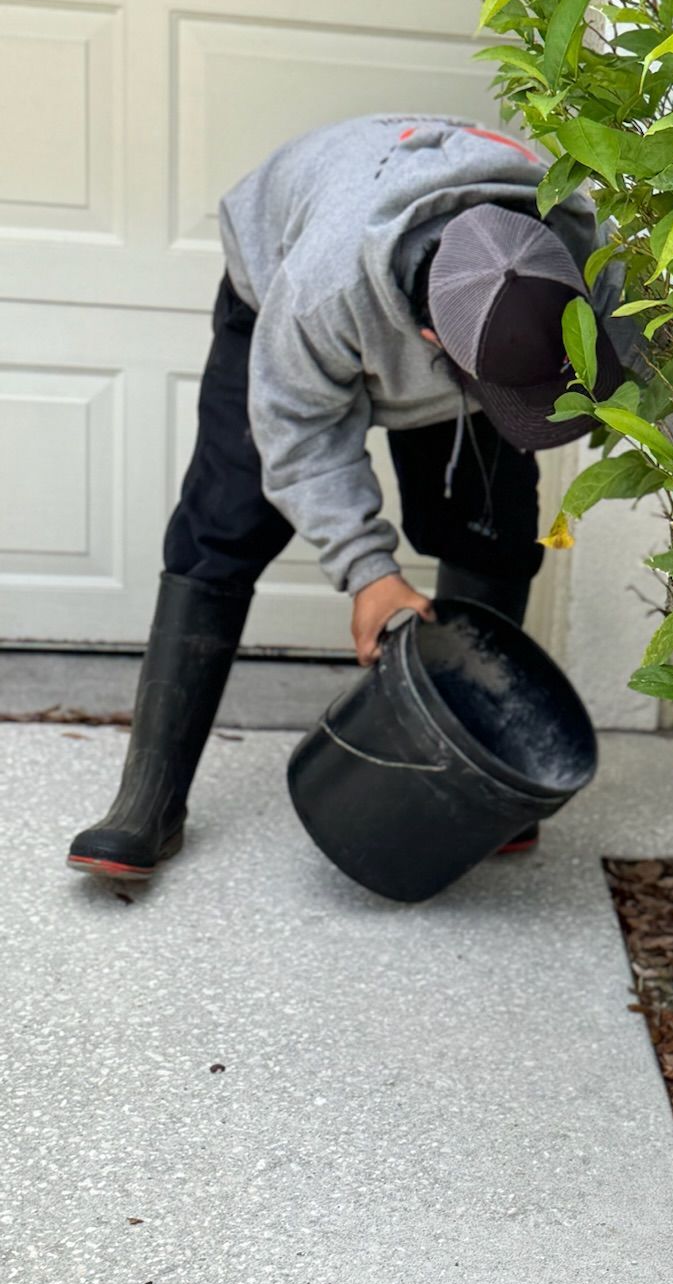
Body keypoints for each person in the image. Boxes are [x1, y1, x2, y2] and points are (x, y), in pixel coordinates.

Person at [68, 113, 628, 883]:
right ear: (433, 348)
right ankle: (149, 802)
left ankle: (483, 771)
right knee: (221, 529)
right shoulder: (318, 292)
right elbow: (296, 435)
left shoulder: (588, 250)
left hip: (474, 312)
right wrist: (370, 573)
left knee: (491, 526)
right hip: (280, 282)